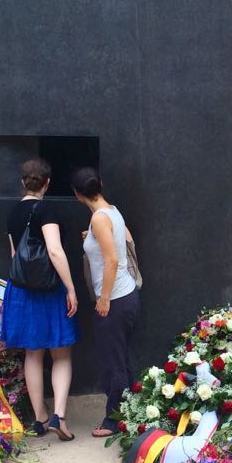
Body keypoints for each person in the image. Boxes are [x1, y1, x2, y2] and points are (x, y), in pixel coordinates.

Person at [1, 158, 79, 441]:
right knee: (61, 353)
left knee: (32, 353)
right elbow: (55, 251)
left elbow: (14, 257)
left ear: (23, 182)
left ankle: (39, 419)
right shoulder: (47, 210)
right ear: (47, 182)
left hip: (21, 290)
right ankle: (59, 415)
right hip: (48, 290)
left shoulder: (13, 213)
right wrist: (70, 288)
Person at [72, 167, 140, 438]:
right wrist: (93, 240)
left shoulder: (100, 219)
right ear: (99, 184)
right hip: (127, 296)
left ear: (77, 194)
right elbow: (127, 241)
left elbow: (112, 260)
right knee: (120, 359)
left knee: (113, 363)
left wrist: (103, 299)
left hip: (115, 299)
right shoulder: (111, 210)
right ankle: (130, 412)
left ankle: (114, 421)